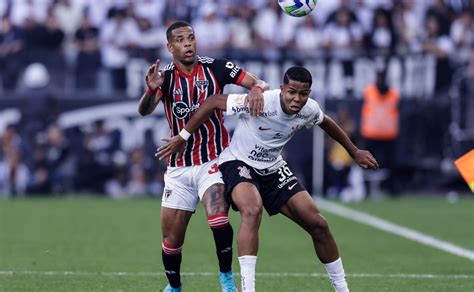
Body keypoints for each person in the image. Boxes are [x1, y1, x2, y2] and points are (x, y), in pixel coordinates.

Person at [156, 66, 379, 292]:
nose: (297, 99)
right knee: (252, 210)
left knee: (318, 224)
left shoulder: (309, 109)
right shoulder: (261, 101)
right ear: (282, 89)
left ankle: (342, 290)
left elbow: (326, 122)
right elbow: (214, 101)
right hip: (238, 163)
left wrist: (354, 151)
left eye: (303, 94)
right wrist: (184, 136)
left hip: (273, 168)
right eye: (292, 91)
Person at [137, 21, 267, 292]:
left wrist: (255, 88)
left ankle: (226, 279)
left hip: (214, 160)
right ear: (170, 46)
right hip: (179, 168)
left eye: (191, 38)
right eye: (181, 40)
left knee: (218, 218)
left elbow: (256, 83)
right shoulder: (166, 77)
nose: (188, 44)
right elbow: (144, 111)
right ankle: (174, 286)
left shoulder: (216, 67)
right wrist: (151, 90)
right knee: (171, 241)